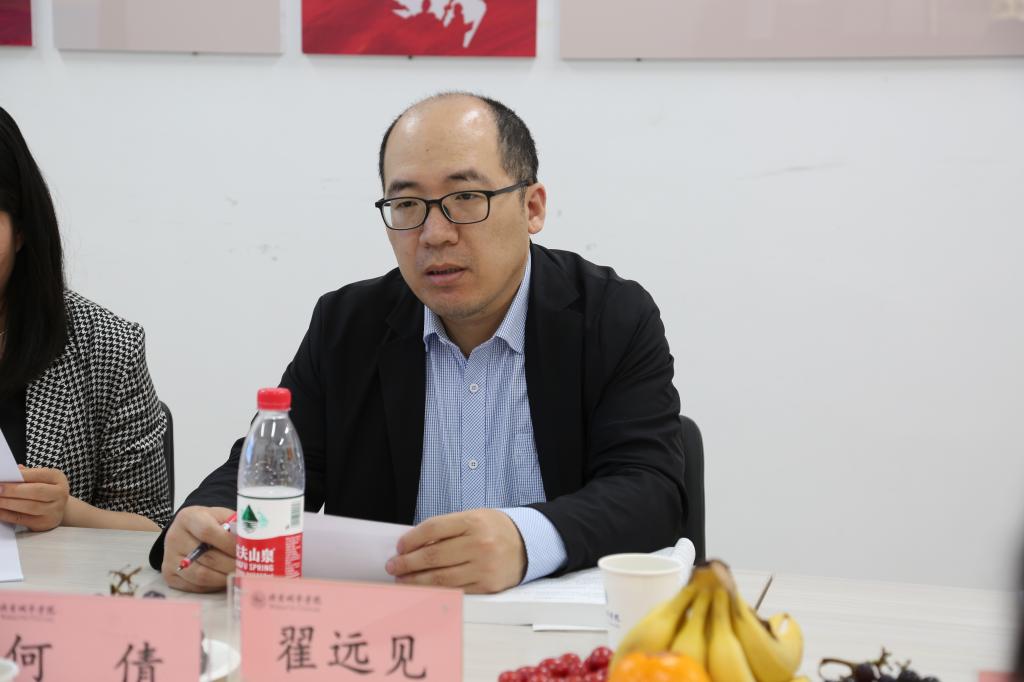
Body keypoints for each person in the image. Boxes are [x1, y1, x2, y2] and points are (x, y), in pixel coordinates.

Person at [153, 93, 686, 594]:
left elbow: (650, 491)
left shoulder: (610, 316)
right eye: (407, 204)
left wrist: (527, 540)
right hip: (391, 632)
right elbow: (272, 470)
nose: (434, 233)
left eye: (466, 197)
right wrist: (204, 522)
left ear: (532, 207)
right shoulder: (348, 325)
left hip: (553, 633)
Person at [0, 106, 171, 532]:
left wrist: (66, 512)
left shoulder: (104, 347)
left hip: (44, 575)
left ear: (21, 231)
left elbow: (153, 532)